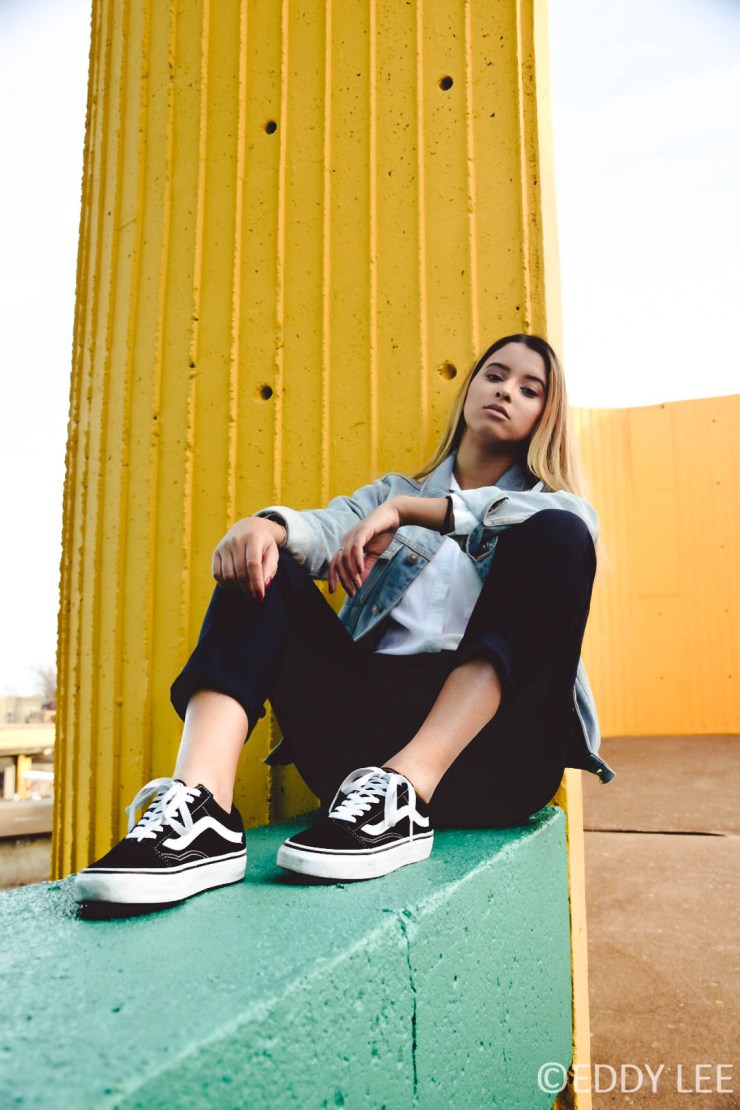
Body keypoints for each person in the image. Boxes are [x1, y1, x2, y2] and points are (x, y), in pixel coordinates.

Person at [73, 333, 615, 906]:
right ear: (470, 390)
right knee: (263, 562)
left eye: (529, 390)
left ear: (545, 417)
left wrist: (413, 513)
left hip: (496, 756)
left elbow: (570, 522)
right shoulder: (389, 492)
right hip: (362, 768)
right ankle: (202, 810)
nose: (505, 391)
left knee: (559, 535)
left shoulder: (548, 509)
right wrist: (267, 527)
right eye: (495, 375)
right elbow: (326, 529)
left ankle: (410, 789)